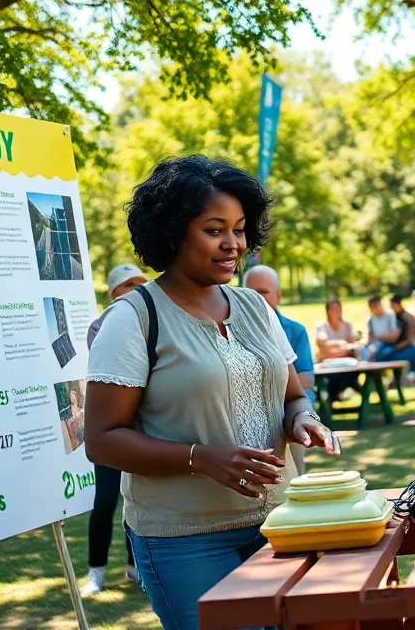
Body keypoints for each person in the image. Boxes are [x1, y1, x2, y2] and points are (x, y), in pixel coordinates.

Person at [84, 155, 339, 630]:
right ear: (173, 231)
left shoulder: (254, 307)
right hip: (185, 541)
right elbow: (100, 439)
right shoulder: (134, 318)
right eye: (214, 229)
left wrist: (303, 419)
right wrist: (201, 457)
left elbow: (291, 397)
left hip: (280, 524)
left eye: (240, 229)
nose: (233, 244)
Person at [81, 264, 148, 596]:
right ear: (113, 294)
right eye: (128, 285)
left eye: (140, 283)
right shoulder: (100, 326)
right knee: (106, 499)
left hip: (142, 430)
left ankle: (136, 567)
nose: (136, 289)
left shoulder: (152, 321)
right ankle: (96, 572)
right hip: (110, 432)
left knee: (134, 499)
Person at [244, 265, 318, 476]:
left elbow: (305, 379)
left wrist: (262, 387)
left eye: (263, 292)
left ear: (278, 295)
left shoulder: (294, 330)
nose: (256, 299)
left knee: (296, 475)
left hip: (289, 411)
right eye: (250, 292)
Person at [362, 295, 415, 387]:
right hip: (378, 350)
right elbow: (370, 338)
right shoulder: (370, 320)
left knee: (412, 349)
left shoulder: (390, 315)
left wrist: (378, 337)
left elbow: (393, 336)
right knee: (375, 352)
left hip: (389, 347)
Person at [314, 298, 361, 403]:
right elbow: (322, 344)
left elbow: (351, 346)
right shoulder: (322, 326)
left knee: (350, 375)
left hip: (347, 364)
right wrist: (340, 344)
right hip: (327, 365)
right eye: (333, 309)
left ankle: (332, 397)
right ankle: (329, 399)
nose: (336, 311)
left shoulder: (347, 325)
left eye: (338, 308)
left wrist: (332, 350)